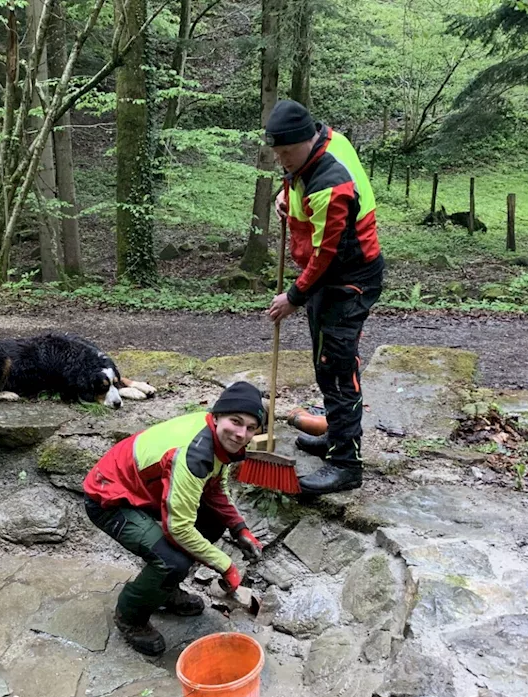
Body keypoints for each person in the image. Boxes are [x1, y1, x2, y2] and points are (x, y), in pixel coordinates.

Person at [82, 382, 268, 656]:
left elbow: (215, 486)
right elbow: (178, 528)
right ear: (217, 416)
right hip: (109, 498)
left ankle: (163, 590)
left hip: (146, 490)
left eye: (251, 428)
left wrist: (239, 528)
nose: (242, 434)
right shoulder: (194, 454)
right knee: (172, 561)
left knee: (213, 521)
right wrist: (227, 566)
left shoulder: (217, 438)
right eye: (236, 421)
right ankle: (130, 616)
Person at [263, 100, 385, 496]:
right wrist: (288, 200)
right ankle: (336, 433)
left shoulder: (331, 182)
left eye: (285, 154)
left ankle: (346, 464)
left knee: (336, 367)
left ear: (306, 140)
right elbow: (301, 189)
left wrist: (294, 297)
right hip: (328, 277)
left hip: (347, 280)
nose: (281, 162)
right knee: (323, 362)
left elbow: (326, 256)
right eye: (276, 154)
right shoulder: (315, 150)